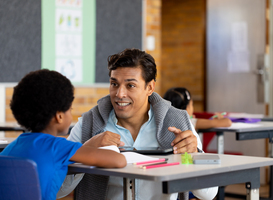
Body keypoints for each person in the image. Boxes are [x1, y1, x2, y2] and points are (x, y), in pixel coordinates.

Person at [58, 48, 218, 200]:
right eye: (114, 84)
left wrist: (193, 155)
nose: (119, 94)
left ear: (150, 87)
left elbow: (209, 194)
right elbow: (58, 189)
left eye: (130, 85)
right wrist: (86, 151)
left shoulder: (179, 121)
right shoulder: (89, 123)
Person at [0, 69, 126, 200]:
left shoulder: (9, 149)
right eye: (70, 109)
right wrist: (94, 145)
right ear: (59, 116)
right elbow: (119, 160)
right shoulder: (57, 147)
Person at [163, 87, 232, 129]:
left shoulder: (162, 121)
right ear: (187, 108)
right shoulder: (191, 122)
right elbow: (228, 122)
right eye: (192, 104)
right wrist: (221, 118)